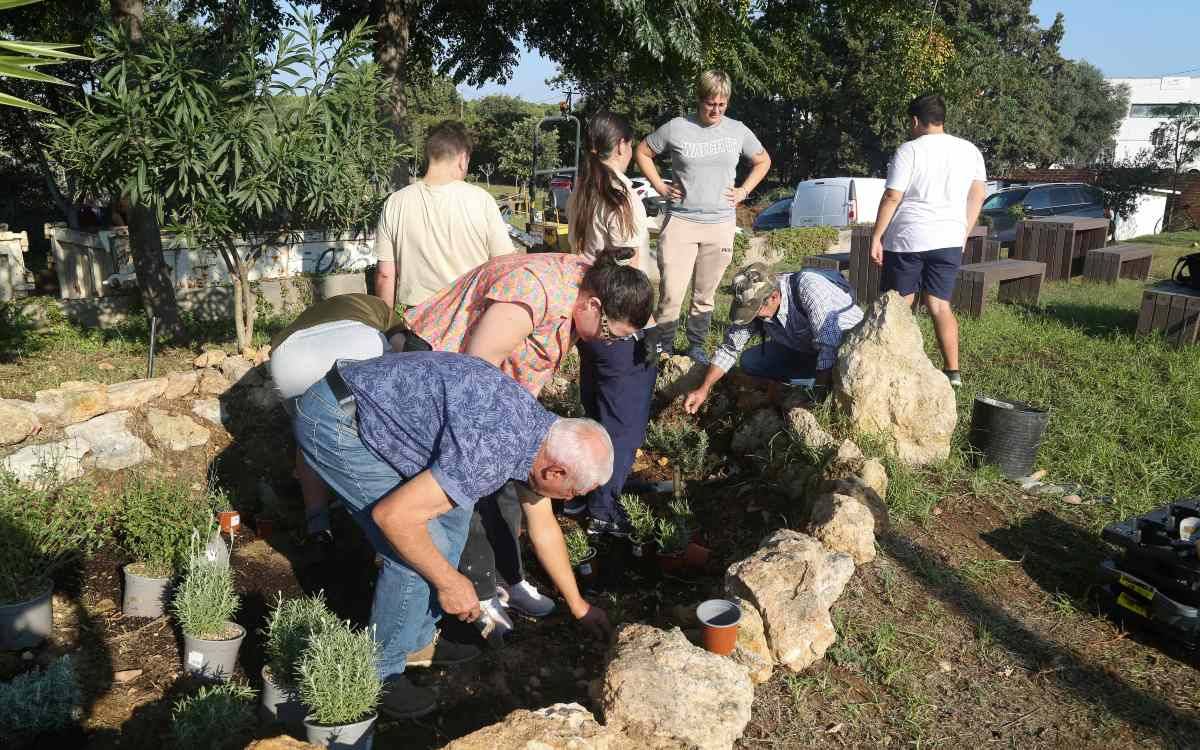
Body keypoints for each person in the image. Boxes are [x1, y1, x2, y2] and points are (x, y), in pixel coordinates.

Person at [293, 350, 614, 719]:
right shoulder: (492, 452)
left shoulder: (542, 434)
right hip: (337, 420)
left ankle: (415, 640)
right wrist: (449, 583)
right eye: (573, 492)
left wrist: (578, 605)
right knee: (415, 553)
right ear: (555, 472)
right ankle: (379, 673)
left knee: (453, 523)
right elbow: (393, 517)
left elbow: (543, 528)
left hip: (378, 413)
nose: (569, 500)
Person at [402, 251, 654, 633]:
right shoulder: (536, 291)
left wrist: (579, 606)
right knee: (461, 491)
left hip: (498, 388)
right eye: (609, 333)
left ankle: (511, 579)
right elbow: (474, 371)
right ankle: (478, 591)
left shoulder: (587, 292)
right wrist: (494, 443)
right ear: (594, 305)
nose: (606, 343)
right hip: (443, 372)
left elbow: (540, 513)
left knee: (510, 491)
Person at [635, 69, 771, 364]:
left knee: (705, 295)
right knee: (671, 293)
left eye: (722, 104)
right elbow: (643, 152)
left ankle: (696, 347)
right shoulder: (676, 127)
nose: (716, 110)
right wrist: (660, 186)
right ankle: (663, 349)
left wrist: (744, 190)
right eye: (711, 103)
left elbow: (763, 160)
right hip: (681, 222)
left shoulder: (738, 130)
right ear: (699, 99)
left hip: (720, 225)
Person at [564, 111, 656, 535]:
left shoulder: (582, 190)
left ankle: (581, 494)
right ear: (621, 145)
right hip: (618, 321)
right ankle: (605, 510)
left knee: (596, 413)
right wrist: (644, 325)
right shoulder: (619, 194)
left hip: (588, 316)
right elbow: (628, 265)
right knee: (623, 425)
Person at [869, 93, 987, 389]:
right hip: (949, 238)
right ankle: (953, 372)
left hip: (908, 238)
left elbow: (892, 196)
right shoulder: (970, 151)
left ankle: (893, 363)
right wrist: (963, 232)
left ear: (914, 121)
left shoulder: (909, 150)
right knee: (940, 305)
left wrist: (877, 236)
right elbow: (977, 196)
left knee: (899, 304)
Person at [269, 293, 405, 544]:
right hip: (357, 345)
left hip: (289, 358)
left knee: (309, 436)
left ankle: (317, 523)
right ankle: (386, 523)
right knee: (377, 429)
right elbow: (402, 350)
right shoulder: (383, 310)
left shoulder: (309, 315)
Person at [683, 263, 863, 414]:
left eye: (754, 310)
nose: (752, 315)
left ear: (774, 296)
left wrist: (816, 402)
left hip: (849, 350)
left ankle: (820, 386)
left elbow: (829, 347)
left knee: (831, 371)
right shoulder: (755, 301)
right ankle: (801, 385)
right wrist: (703, 389)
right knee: (752, 361)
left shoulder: (808, 288)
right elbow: (729, 349)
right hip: (808, 348)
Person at [373, 119, 514, 310]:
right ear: (463, 159)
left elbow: (385, 275)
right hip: (470, 317)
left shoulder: (395, 202)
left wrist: (387, 322)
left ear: (430, 155)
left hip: (417, 318)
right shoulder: (481, 200)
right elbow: (506, 266)